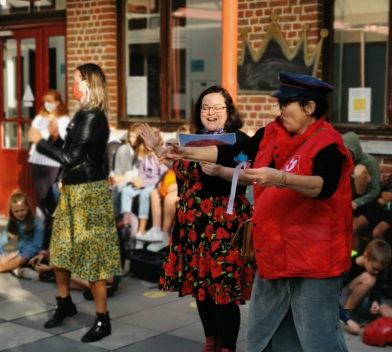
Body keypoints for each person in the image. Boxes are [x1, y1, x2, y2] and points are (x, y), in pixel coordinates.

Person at [159, 72, 353, 352]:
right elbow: (235, 152)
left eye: (286, 103)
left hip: (315, 259)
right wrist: (186, 152)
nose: (280, 110)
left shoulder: (328, 143)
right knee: (266, 330)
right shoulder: (270, 132)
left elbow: (323, 187)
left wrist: (280, 177)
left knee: (316, 335)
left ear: (309, 107)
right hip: (274, 250)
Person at [141, 85, 255, 352]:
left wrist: (213, 166)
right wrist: (157, 146)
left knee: (223, 290)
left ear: (228, 111)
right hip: (193, 224)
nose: (210, 112)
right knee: (201, 286)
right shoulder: (192, 140)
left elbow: (239, 170)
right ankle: (210, 342)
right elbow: (180, 165)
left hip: (224, 225)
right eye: (205, 107)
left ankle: (227, 348)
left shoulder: (239, 140)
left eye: (217, 107)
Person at [28, 63, 122, 343]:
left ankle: (103, 320)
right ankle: (64, 301)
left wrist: (41, 141)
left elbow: (70, 157)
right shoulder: (84, 114)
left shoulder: (93, 116)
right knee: (60, 250)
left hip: (89, 194)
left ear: (89, 83)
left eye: (77, 81)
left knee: (93, 259)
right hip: (73, 190)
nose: (73, 86)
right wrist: (57, 139)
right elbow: (72, 152)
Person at [142, 124, 195, 251]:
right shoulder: (176, 153)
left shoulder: (194, 153)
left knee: (171, 198)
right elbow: (171, 169)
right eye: (178, 139)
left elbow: (191, 174)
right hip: (176, 184)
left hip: (189, 186)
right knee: (155, 193)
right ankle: (156, 230)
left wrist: (176, 185)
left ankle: (165, 235)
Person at [0, 190, 44, 277]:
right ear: (12, 211)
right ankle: (11, 268)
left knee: (18, 260)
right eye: (16, 211)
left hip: (30, 256)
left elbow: (35, 247)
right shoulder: (13, 222)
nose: (20, 213)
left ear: (28, 207)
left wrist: (12, 255)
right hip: (17, 254)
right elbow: (1, 242)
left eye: (22, 210)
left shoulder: (37, 223)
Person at [343, 132, 392, 242]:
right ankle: (353, 257)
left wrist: (357, 203)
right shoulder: (343, 161)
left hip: (370, 204)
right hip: (351, 201)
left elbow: (376, 190)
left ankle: (374, 257)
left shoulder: (369, 162)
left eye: (349, 151)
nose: (347, 154)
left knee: (353, 227)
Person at [120, 130, 168, 236]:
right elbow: (142, 172)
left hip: (156, 183)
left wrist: (143, 183)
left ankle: (141, 229)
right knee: (126, 191)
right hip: (145, 181)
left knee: (145, 194)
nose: (146, 147)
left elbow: (162, 176)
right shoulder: (144, 151)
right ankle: (126, 223)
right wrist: (138, 180)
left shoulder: (162, 153)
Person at [339, 239, 392, 336]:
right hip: (342, 300)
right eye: (375, 268)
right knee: (369, 278)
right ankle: (348, 311)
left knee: (388, 312)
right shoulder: (350, 264)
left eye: (380, 270)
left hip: (361, 301)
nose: (377, 272)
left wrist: (375, 301)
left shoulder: (377, 269)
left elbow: (378, 289)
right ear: (365, 256)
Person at [28, 90, 70, 208]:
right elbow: (32, 135)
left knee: (53, 194)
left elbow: (63, 141)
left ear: (57, 102)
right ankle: (45, 221)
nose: (47, 104)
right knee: (41, 196)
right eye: (45, 102)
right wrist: (47, 133)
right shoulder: (40, 117)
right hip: (37, 160)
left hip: (53, 163)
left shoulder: (63, 120)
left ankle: (54, 222)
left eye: (50, 101)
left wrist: (47, 134)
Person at [109, 123, 141, 216]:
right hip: (124, 179)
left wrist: (125, 176)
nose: (131, 139)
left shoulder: (142, 149)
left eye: (134, 137)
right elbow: (117, 174)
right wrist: (114, 178)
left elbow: (140, 170)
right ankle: (116, 218)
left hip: (140, 179)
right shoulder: (125, 149)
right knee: (119, 185)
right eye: (130, 136)